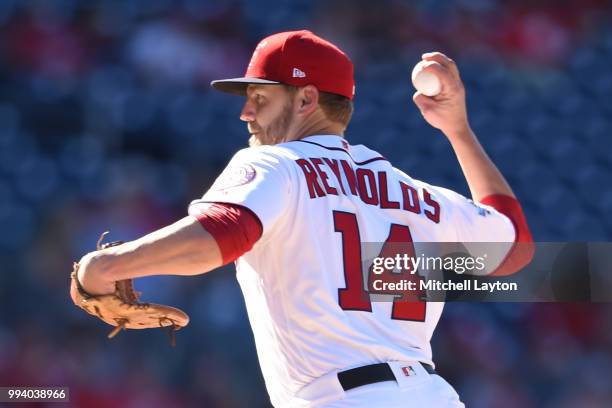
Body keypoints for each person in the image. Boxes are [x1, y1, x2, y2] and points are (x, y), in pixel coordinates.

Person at [75, 30, 533, 407]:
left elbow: (222, 234)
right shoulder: (414, 193)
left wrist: (108, 266)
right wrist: (458, 129)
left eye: (259, 97)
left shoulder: (280, 165)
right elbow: (514, 249)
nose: (245, 112)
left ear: (306, 99)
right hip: (434, 396)